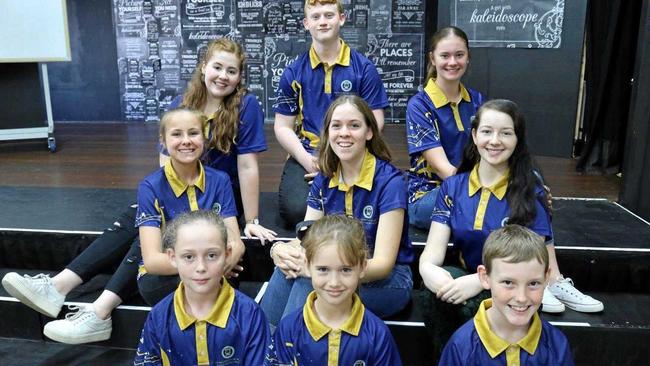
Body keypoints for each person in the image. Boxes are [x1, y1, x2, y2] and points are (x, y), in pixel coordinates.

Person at [418, 99, 602, 360]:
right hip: (469, 274)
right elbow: (431, 254)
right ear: (474, 134)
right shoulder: (453, 187)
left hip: (512, 284)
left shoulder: (530, 191)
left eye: (506, 133)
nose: (495, 141)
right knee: (435, 292)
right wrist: (430, 273)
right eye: (487, 131)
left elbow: (532, 261)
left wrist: (479, 282)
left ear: (517, 140)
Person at [261, 95, 413, 325]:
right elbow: (305, 241)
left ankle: (288, 353)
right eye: (336, 126)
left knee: (311, 282)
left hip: (386, 281)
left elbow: (383, 265)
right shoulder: (324, 178)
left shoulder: (390, 182)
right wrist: (279, 251)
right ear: (328, 132)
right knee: (286, 269)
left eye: (354, 125)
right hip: (335, 270)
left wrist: (320, 271)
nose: (344, 133)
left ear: (369, 132)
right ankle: (269, 350)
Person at [274, 0, 389, 228]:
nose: (323, 22)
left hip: (353, 151)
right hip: (310, 154)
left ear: (342, 18)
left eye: (329, 15)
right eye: (316, 17)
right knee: (296, 210)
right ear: (306, 24)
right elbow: (282, 126)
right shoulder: (294, 71)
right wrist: (308, 161)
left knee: (375, 206)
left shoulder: (364, 68)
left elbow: (376, 120)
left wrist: (341, 159)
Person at [167, 37, 276, 244]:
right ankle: (84, 274)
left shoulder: (247, 105)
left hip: (222, 199)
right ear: (204, 67)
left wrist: (252, 220)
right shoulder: (180, 104)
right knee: (133, 223)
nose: (223, 76)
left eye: (231, 71)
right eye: (217, 67)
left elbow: (247, 166)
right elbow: (166, 161)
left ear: (239, 78)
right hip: (185, 192)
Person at [136, 108, 245, 305]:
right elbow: (152, 261)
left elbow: (236, 244)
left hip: (211, 270)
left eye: (193, 133)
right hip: (167, 276)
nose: (186, 140)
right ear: (163, 140)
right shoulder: (150, 187)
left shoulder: (220, 180)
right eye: (177, 134)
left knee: (224, 280)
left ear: (204, 137)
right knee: (202, 284)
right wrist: (210, 265)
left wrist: (214, 264)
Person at [134, 210, 271, 365]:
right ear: (172, 257)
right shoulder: (159, 317)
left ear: (227, 254)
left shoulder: (250, 315)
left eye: (211, 255)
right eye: (189, 257)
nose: (201, 267)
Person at [268, 215, 403, 365]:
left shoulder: (377, 335)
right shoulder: (289, 329)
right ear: (307, 265)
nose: (334, 282)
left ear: (363, 267)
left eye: (345, 270)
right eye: (323, 269)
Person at [440, 225, 574, 365]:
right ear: (485, 277)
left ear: (546, 277)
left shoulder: (557, 346)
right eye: (508, 282)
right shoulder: (461, 346)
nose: (521, 298)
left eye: (533, 283)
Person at [406, 26, 484, 229]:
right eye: (445, 55)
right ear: (432, 58)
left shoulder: (476, 100)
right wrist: (489, 189)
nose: (452, 62)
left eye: (459, 55)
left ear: (468, 57)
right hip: (429, 196)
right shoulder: (419, 105)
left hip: (471, 187)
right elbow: (444, 170)